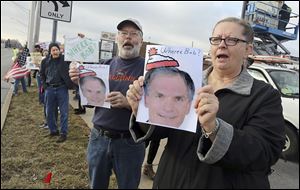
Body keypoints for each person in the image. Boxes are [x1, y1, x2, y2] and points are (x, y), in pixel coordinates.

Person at [126, 17, 285, 188]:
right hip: (171, 180)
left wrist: (214, 129)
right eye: (216, 39)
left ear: (248, 49)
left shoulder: (264, 96)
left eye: (231, 40)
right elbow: (163, 129)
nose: (221, 45)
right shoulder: (187, 84)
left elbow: (265, 153)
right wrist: (141, 112)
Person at [69, 18, 145, 189]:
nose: (128, 38)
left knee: (128, 185)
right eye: (124, 33)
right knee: (96, 185)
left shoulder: (147, 70)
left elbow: (156, 109)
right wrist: (79, 83)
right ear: (117, 38)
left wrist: (127, 103)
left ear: (140, 40)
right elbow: (89, 103)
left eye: (133, 34)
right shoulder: (104, 65)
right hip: (98, 138)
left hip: (130, 142)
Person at [40, 42, 75, 143]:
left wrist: (80, 39)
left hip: (62, 88)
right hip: (49, 89)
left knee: (64, 112)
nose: (55, 52)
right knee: (49, 111)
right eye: (53, 50)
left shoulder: (65, 60)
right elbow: (42, 74)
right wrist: (45, 86)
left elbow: (75, 59)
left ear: (60, 50)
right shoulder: (45, 61)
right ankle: (53, 130)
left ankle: (63, 133)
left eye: (57, 50)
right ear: (50, 51)